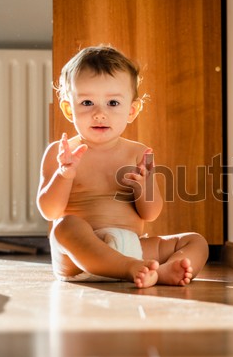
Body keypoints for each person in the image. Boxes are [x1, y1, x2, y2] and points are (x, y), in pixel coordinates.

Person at [36, 45, 208, 288]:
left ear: (132, 110)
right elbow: (50, 211)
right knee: (65, 226)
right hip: (80, 258)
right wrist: (65, 173)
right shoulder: (61, 153)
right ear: (68, 108)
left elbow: (150, 213)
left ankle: (166, 270)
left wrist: (144, 187)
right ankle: (127, 268)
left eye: (113, 103)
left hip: (133, 248)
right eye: (86, 102)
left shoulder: (138, 153)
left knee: (195, 241)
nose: (99, 113)